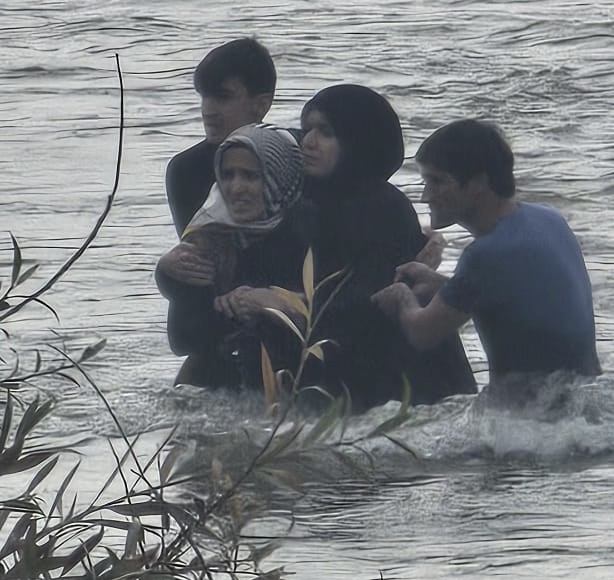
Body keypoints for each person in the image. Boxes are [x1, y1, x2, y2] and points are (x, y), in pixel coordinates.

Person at [372, 119, 601, 401]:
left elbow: (422, 333)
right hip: (584, 399)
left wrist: (401, 295)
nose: (425, 196)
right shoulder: (547, 218)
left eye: (437, 181)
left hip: (533, 420)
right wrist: (441, 283)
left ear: (479, 183)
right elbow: (515, 298)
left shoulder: (485, 254)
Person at [297, 84, 477, 411]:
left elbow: (371, 301)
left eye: (325, 132)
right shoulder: (306, 196)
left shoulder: (382, 207)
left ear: (356, 140)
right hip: (336, 360)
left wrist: (284, 306)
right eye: (306, 129)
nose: (308, 142)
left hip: (397, 379)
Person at [156, 124, 311, 391]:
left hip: (302, 377)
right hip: (223, 377)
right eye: (227, 176)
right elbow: (183, 339)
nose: (236, 188)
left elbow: (340, 322)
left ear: (279, 176)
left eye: (251, 176)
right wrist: (171, 278)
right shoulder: (211, 234)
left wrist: (276, 305)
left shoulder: (312, 229)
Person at [165, 37, 277, 241]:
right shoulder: (186, 169)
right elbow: (197, 253)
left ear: (261, 105)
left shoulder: (293, 160)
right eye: (204, 96)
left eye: (222, 97)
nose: (208, 110)